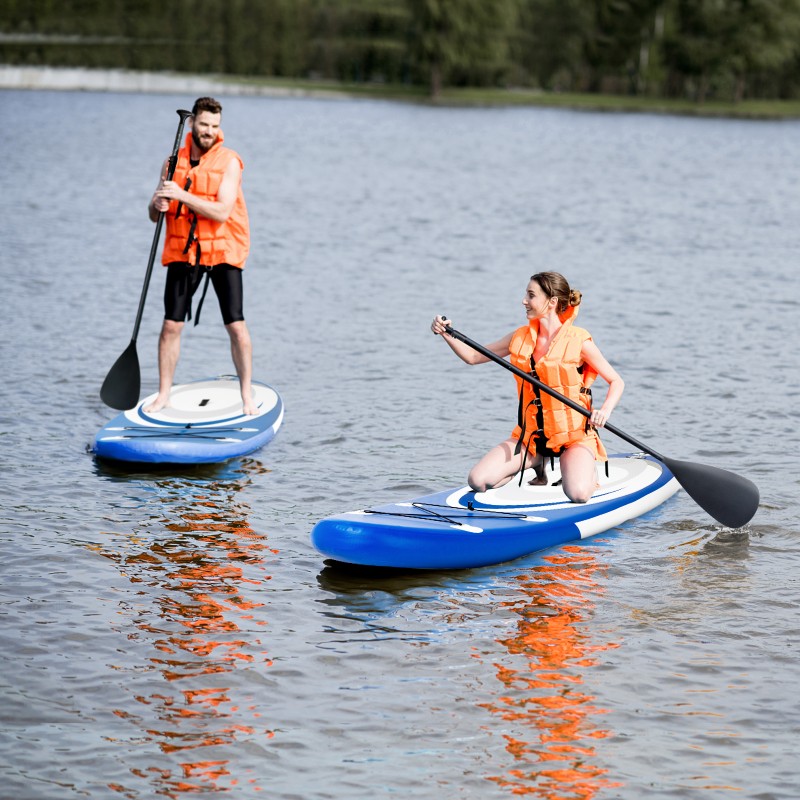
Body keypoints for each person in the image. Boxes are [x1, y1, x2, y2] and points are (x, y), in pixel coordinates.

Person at [430, 272, 624, 503]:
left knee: (578, 494)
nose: (524, 301)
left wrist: (605, 410)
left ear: (552, 302)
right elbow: (473, 357)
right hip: (532, 438)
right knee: (478, 480)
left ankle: (585, 470)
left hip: (573, 438)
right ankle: (536, 462)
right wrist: (445, 333)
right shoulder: (519, 338)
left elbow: (616, 381)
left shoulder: (579, 340)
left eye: (531, 295)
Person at [145, 96, 255, 415]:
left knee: (236, 326)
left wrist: (181, 194)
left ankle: (246, 394)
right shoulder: (172, 163)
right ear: (192, 122)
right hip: (184, 250)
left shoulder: (230, 161)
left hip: (222, 250)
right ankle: (163, 394)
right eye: (204, 124)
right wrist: (157, 204)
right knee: (170, 326)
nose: (209, 131)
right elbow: (154, 216)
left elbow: (221, 211)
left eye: (215, 126)